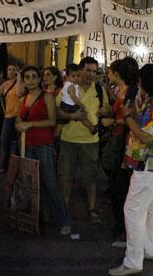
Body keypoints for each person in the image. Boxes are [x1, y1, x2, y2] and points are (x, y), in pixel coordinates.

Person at [108, 64, 153, 276]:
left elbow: (145, 135)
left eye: (140, 80)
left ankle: (133, 261)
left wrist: (127, 117)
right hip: (151, 164)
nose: (138, 84)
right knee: (151, 207)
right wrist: (135, 112)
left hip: (148, 164)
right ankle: (152, 248)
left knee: (133, 210)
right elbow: (145, 126)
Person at [15, 67, 71, 235]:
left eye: (34, 77)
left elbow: (52, 121)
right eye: (27, 77)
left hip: (43, 145)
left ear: (39, 79)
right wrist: (19, 124)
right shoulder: (22, 99)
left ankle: (63, 220)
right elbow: (19, 119)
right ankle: (42, 217)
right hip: (27, 145)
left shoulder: (47, 97)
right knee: (33, 183)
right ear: (24, 80)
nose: (31, 80)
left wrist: (30, 124)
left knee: (50, 183)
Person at [57, 57, 109, 223]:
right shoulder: (69, 87)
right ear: (80, 70)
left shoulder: (99, 89)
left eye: (94, 71)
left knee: (91, 178)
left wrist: (105, 110)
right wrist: (73, 115)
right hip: (68, 139)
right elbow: (57, 111)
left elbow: (106, 110)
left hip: (91, 141)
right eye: (88, 70)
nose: (91, 74)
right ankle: (64, 210)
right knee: (65, 177)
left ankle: (92, 209)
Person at [100, 57, 139, 247]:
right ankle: (120, 224)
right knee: (116, 186)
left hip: (124, 144)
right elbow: (119, 107)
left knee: (122, 188)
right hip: (116, 140)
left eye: (109, 72)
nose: (108, 74)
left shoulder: (131, 92)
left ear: (116, 73)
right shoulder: (122, 91)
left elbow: (133, 119)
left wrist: (113, 122)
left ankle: (126, 230)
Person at [0, 65, 20, 175]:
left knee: (18, 142)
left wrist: (19, 78)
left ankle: (17, 165)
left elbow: (19, 93)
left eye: (13, 69)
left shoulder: (20, 82)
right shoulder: (5, 84)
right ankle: (5, 165)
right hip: (8, 116)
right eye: (9, 69)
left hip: (19, 115)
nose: (11, 71)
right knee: (4, 141)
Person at [59, 63, 97, 133]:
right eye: (73, 76)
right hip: (69, 105)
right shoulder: (71, 86)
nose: (76, 78)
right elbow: (73, 97)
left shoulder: (72, 84)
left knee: (61, 123)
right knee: (83, 116)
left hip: (67, 105)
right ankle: (92, 128)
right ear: (67, 77)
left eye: (78, 76)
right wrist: (81, 105)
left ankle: (57, 133)